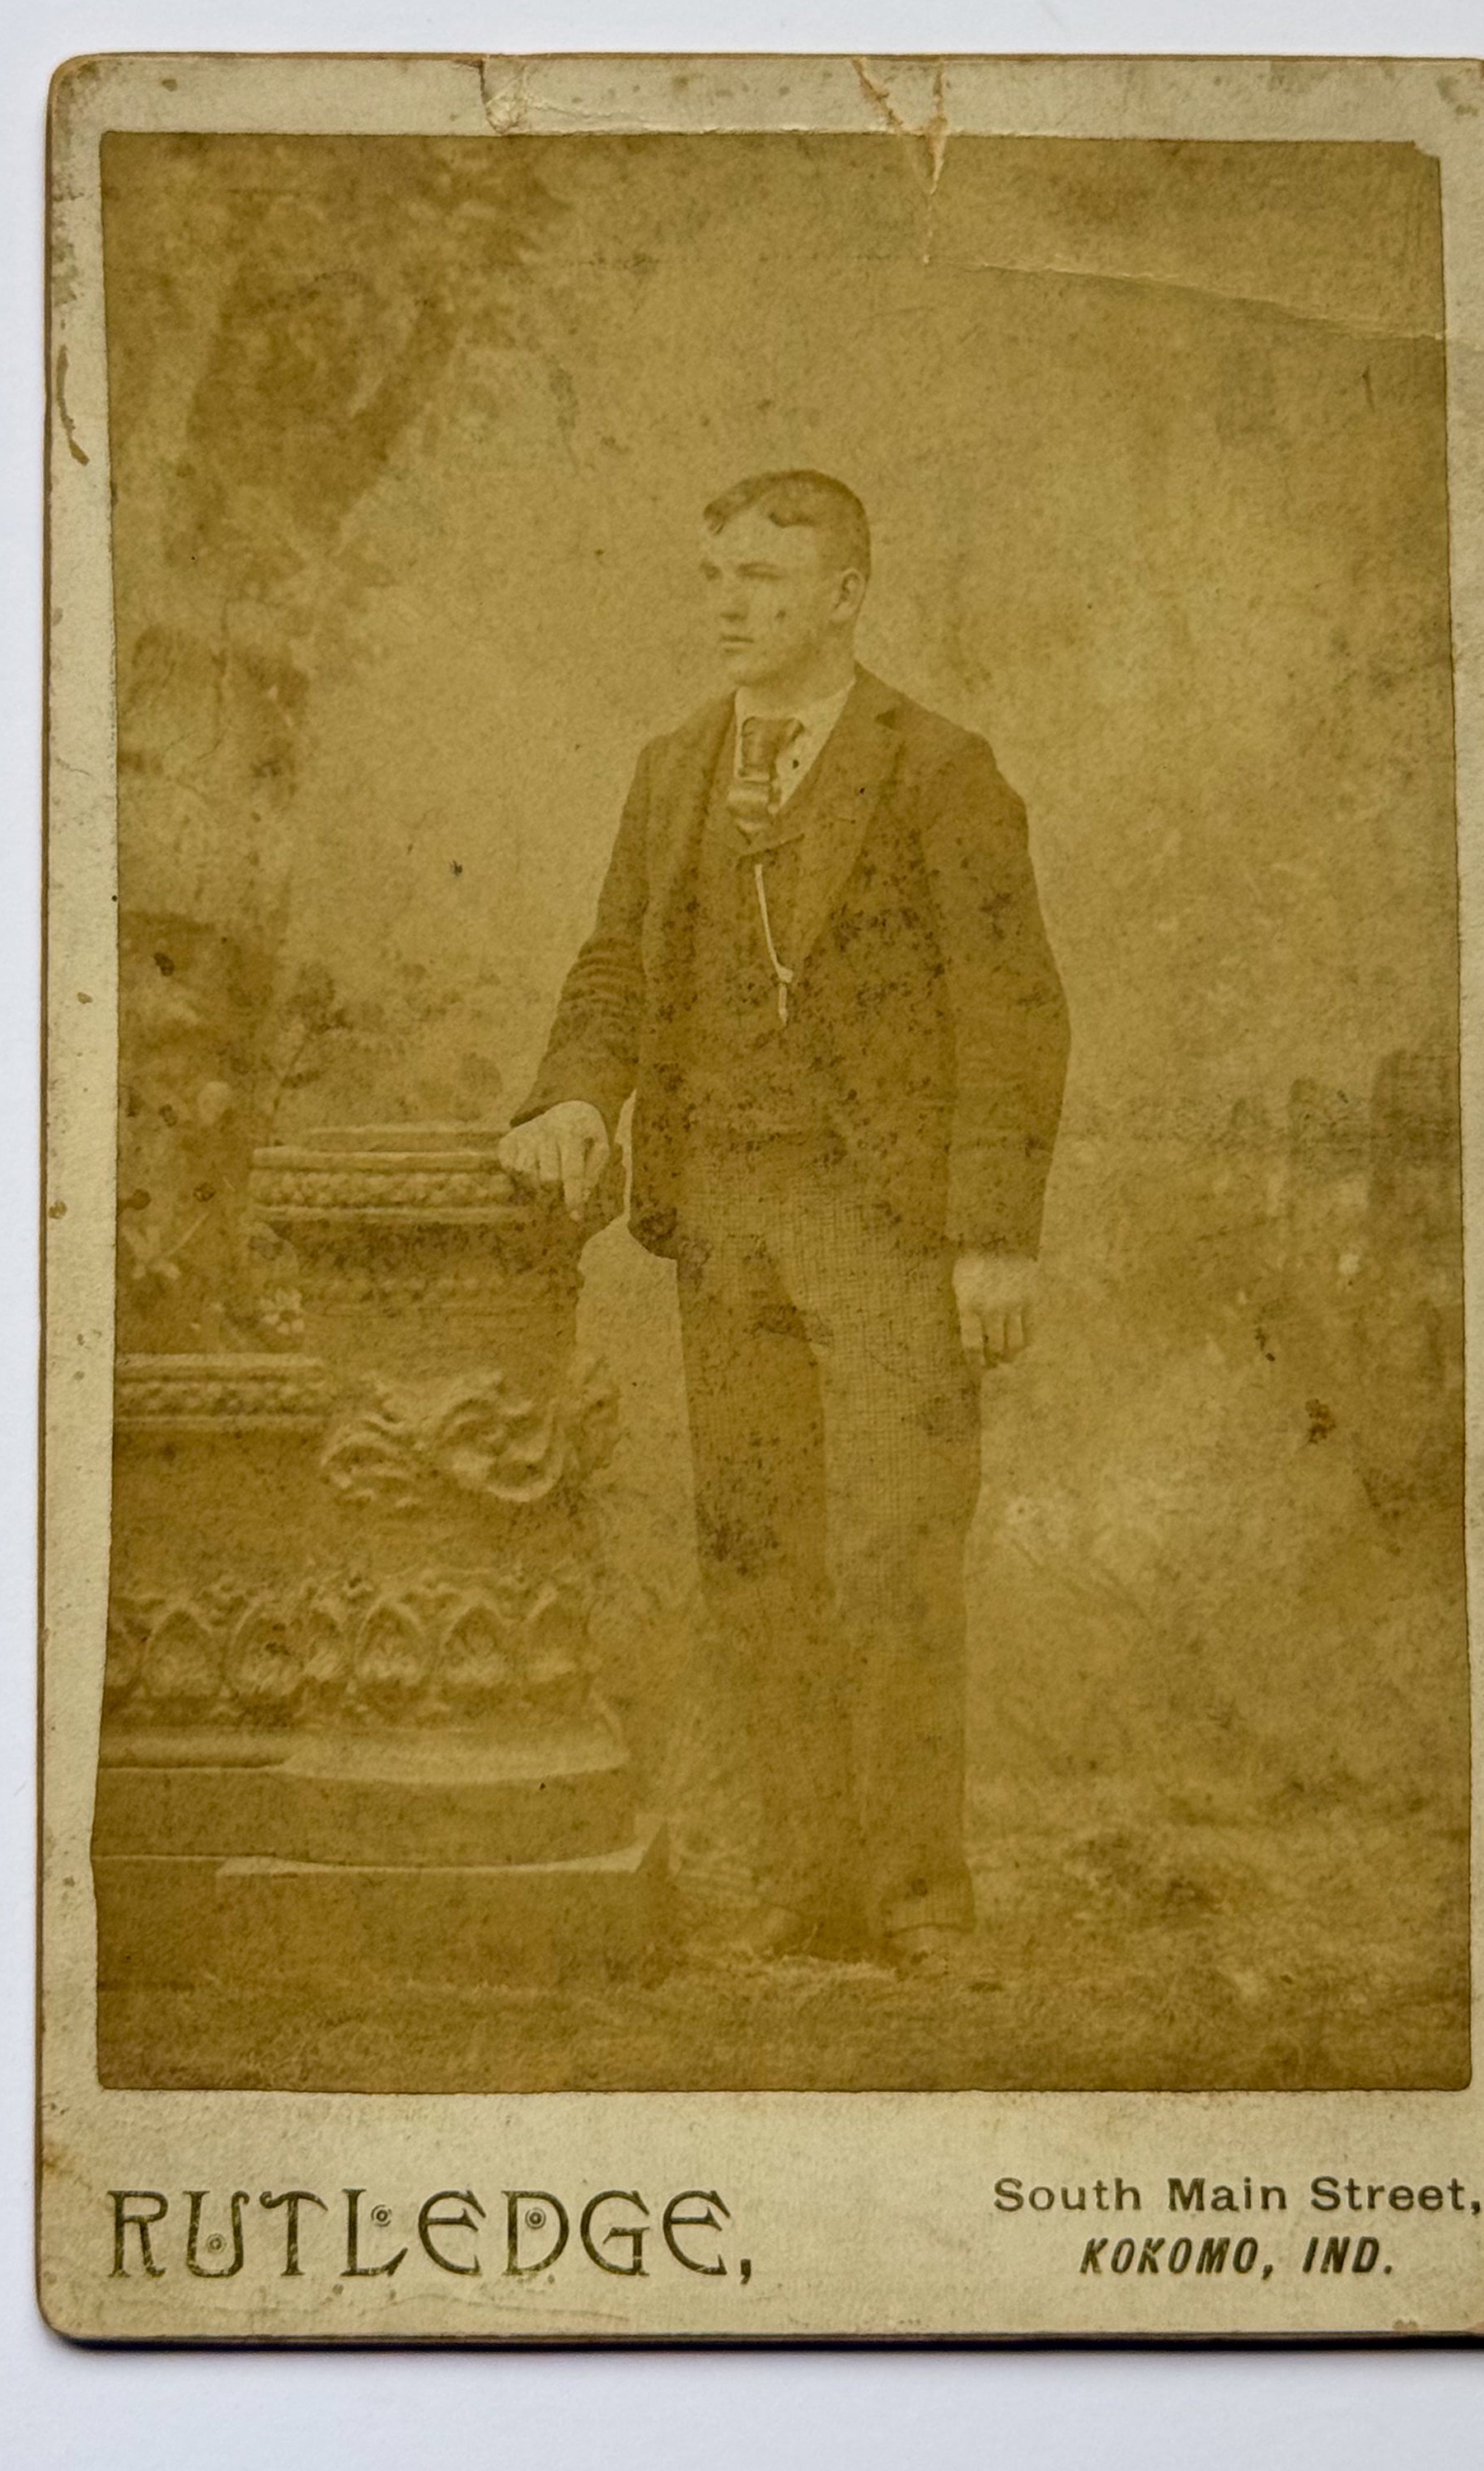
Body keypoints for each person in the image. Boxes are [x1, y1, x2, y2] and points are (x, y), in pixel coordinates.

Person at [500, 470, 1069, 1978]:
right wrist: (574, 1099)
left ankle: (921, 1908)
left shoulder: (940, 768)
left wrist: (993, 1235)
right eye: (715, 575)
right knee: (757, 1553)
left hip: (885, 1226)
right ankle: (811, 1899)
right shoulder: (674, 766)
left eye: (765, 577)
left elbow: (1011, 1008)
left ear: (844, 596)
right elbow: (615, 964)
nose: (732, 604)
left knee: (892, 1553)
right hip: (726, 1221)